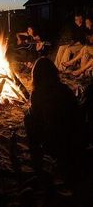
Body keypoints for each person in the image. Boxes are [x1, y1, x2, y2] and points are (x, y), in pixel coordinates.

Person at [24, 57, 83, 185]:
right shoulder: (65, 89)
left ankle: (37, 163)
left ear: (36, 75)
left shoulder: (37, 93)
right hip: (78, 139)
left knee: (28, 118)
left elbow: (38, 118)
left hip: (57, 143)